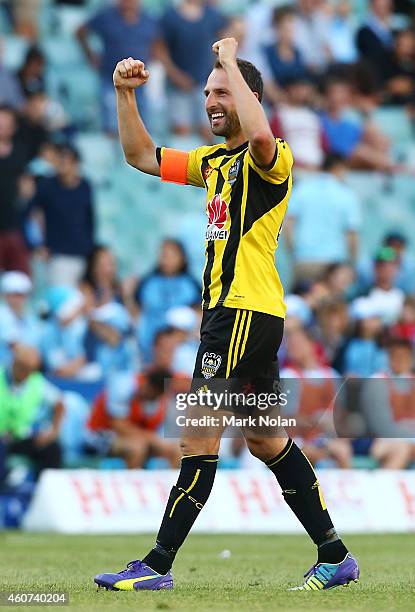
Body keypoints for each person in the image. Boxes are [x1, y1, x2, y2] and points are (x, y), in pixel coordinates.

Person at [94, 37, 359, 592]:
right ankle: (335, 556)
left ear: (248, 96)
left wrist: (230, 57)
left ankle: (157, 566)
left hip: (240, 314)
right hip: (244, 317)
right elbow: (140, 156)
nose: (211, 101)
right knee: (265, 440)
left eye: (222, 92)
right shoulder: (212, 164)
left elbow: (260, 133)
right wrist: (124, 95)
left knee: (197, 437)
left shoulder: (273, 157)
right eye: (207, 92)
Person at [76, 0, 160, 134]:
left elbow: (157, 41)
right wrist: (90, 56)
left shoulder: (148, 19)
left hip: (139, 80)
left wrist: (151, 56)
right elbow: (80, 32)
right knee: (112, 122)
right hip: (111, 78)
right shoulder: (106, 16)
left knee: (142, 125)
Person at [285, 154, 361, 283]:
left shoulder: (302, 189)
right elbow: (352, 234)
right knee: (332, 303)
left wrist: (294, 252)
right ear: (338, 168)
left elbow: (288, 226)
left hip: (304, 259)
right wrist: (352, 263)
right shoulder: (346, 194)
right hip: (334, 264)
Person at [26, 145, 95, 286]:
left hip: (82, 254)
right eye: (60, 160)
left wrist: (89, 246)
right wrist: (34, 245)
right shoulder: (48, 186)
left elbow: (90, 219)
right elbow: (27, 213)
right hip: (58, 255)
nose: (63, 164)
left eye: (67, 160)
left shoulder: (85, 186)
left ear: (76, 164)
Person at [87, 367, 180, 468]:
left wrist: (157, 441)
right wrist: (151, 438)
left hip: (141, 438)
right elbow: (118, 426)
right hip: (100, 434)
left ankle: (175, 483)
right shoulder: (123, 386)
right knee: (137, 448)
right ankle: (133, 482)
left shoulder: (161, 399)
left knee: (177, 450)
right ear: (148, 385)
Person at [159, 0, 227, 139]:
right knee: (182, 131)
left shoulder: (212, 14)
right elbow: (160, 50)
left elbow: (223, 42)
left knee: (209, 129)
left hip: (207, 84)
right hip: (178, 87)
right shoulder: (170, 17)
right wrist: (176, 76)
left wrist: (217, 72)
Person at [0, 344, 64, 478]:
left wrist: (53, 432)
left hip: (20, 436)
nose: (26, 373)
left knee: (52, 448)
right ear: (14, 363)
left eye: (30, 370)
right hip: (1, 437)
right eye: (23, 368)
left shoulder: (36, 381)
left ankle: (44, 490)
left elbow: (59, 404)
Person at [135, 239, 200, 363]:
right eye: (164, 255)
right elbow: (136, 311)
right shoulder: (147, 283)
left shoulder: (191, 285)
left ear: (182, 258)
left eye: (172, 255)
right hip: (150, 346)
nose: (167, 259)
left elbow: (199, 315)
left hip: (183, 347)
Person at [0, 106, 30, 274]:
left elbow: (26, 187)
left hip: (14, 227)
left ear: (13, 127)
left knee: (20, 278)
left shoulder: (20, 152)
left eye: (5, 122)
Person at [262, 5, 309, 105]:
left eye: (292, 26)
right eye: (286, 27)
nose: (290, 30)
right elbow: (267, 83)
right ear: (277, 28)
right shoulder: (267, 52)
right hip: (275, 104)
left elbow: (303, 82)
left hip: (298, 103)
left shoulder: (298, 53)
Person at [0, 271, 43, 365]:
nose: (19, 299)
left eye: (22, 294)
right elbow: (17, 348)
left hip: (23, 372)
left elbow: (36, 347)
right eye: (15, 294)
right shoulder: (2, 314)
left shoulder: (30, 318)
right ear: (6, 295)